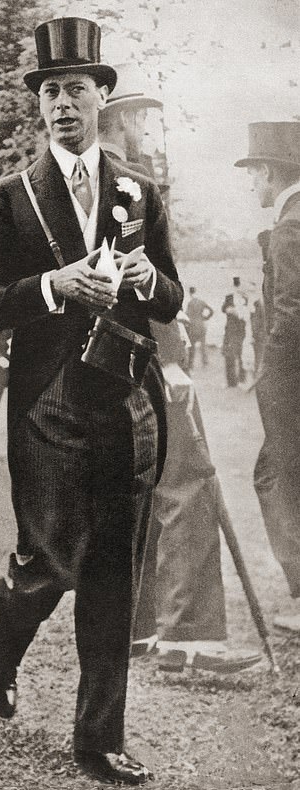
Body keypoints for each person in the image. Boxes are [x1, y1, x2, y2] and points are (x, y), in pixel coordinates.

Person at [0, 17, 183, 786]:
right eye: (50, 91)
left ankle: (99, 740)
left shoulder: (140, 190)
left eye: (76, 89)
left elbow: (171, 297)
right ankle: (6, 628)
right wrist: (55, 287)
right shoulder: (11, 197)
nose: (63, 103)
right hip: (47, 404)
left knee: (113, 574)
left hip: (126, 400)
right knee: (53, 561)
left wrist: (143, 280)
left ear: (101, 97)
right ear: (40, 106)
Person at [99, 69, 261, 674]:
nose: (146, 129)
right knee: (188, 483)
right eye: (139, 117)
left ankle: (136, 631)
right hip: (142, 359)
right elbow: (138, 276)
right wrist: (169, 356)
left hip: (99, 367)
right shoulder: (128, 184)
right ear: (116, 120)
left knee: (133, 491)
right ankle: (188, 638)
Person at [235, 121, 300, 632]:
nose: (251, 184)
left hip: (291, 380)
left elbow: (290, 311)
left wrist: (268, 377)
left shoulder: (290, 226)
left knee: (280, 479)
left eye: (253, 172)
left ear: (270, 173)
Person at [221, 276, 248, 387]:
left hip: (241, 328)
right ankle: (232, 382)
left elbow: (247, 313)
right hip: (231, 329)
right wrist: (229, 310)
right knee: (229, 355)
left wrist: (239, 313)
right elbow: (223, 309)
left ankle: (242, 379)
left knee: (241, 354)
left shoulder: (244, 296)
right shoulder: (229, 297)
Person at [184, 286, 213, 369]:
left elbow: (187, 315)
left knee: (192, 347)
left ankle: (191, 365)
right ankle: (205, 363)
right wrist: (205, 318)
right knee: (203, 346)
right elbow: (211, 311)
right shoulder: (201, 302)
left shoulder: (190, 303)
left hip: (193, 327)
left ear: (190, 293)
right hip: (201, 325)